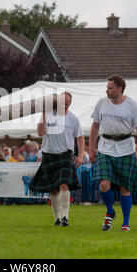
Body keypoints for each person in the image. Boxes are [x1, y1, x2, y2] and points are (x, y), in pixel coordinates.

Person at [89, 75, 137, 232]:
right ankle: (110, 211)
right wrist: (91, 148)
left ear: (119, 88)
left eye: (110, 87)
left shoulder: (132, 105)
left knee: (124, 188)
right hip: (105, 147)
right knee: (104, 184)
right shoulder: (101, 103)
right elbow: (95, 127)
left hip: (126, 148)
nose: (107, 90)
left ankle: (125, 223)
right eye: (107, 87)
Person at [30, 92, 84, 227]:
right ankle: (57, 218)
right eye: (62, 102)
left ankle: (65, 217)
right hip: (49, 154)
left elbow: (80, 137)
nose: (65, 104)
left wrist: (81, 155)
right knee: (53, 188)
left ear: (70, 103)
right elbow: (40, 133)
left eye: (67, 103)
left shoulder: (73, 119)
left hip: (65, 155)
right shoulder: (48, 115)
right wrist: (43, 112)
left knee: (64, 184)